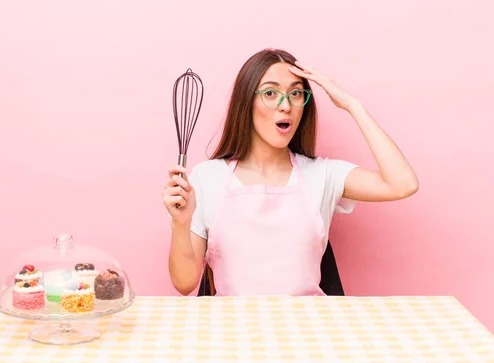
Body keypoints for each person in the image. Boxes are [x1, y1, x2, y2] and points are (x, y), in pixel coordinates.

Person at [163, 48, 418, 297]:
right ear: (246, 102)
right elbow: (185, 283)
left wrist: (353, 105)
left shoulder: (323, 175)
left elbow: (402, 184)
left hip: (307, 333)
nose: (286, 105)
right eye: (271, 93)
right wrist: (181, 223)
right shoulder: (207, 177)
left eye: (296, 93)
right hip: (234, 332)